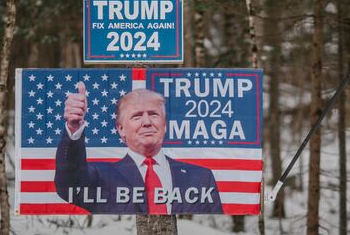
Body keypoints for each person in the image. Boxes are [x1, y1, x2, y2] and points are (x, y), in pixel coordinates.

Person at [54, 82, 223, 214]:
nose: (147, 122)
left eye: (153, 114)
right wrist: (74, 128)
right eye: (136, 116)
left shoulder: (201, 177)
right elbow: (69, 184)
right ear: (121, 130)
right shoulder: (101, 176)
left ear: (164, 125)